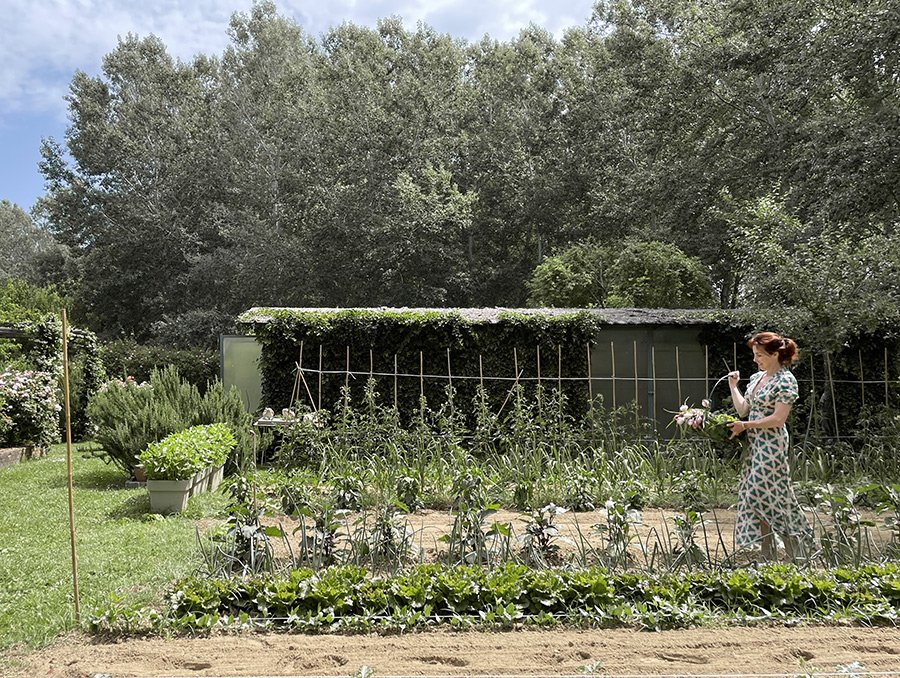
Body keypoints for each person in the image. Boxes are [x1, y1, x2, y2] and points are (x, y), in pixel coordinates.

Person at [726, 331, 812, 561]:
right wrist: (733, 386)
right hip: (754, 445)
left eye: (760, 355)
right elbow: (744, 409)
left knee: (759, 494)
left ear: (775, 354)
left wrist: (746, 425)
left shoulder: (786, 381)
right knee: (762, 497)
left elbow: (778, 419)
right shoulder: (757, 378)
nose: (755, 360)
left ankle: (797, 546)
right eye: (754, 355)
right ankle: (770, 554)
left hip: (772, 444)